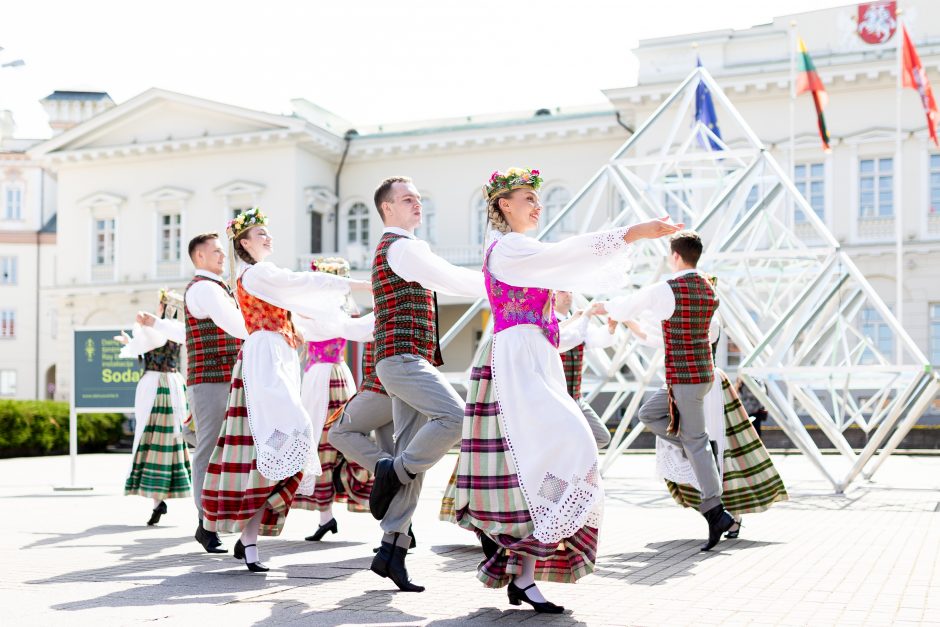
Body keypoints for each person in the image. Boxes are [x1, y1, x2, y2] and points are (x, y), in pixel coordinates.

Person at [442, 167, 681, 614]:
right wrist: (632, 233)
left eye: (537, 199)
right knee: (568, 446)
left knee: (541, 465)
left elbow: (563, 267)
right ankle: (521, 567)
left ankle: (524, 576)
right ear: (503, 205)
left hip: (535, 356)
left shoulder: (519, 249)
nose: (537, 205)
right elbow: (567, 253)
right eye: (528, 198)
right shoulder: (509, 247)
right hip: (516, 360)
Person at [201, 208, 369, 573]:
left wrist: (350, 294)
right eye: (261, 234)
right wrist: (358, 285)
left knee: (272, 444)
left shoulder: (260, 277)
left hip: (274, 357)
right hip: (266, 361)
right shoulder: (259, 273)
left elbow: (307, 302)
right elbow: (302, 284)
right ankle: (249, 537)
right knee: (285, 436)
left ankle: (248, 540)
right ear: (244, 243)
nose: (268, 238)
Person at [366, 176, 487, 593]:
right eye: (407, 199)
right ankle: (390, 471)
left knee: (414, 452)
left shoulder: (400, 248)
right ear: (387, 209)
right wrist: (500, 281)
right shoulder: (402, 247)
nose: (417, 204)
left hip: (403, 357)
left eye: (418, 198)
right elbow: (450, 277)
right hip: (401, 358)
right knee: (455, 417)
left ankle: (391, 551)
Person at [599, 230, 734, 551]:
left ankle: (716, 510)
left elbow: (628, 305)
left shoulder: (667, 288)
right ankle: (701, 451)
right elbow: (712, 331)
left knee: (694, 440)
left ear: (675, 256)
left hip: (684, 378)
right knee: (651, 414)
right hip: (700, 375)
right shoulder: (708, 289)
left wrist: (606, 307)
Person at [624, 316, 787, 539]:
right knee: (708, 450)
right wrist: (625, 318)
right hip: (688, 380)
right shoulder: (684, 317)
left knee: (722, 449)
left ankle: (730, 515)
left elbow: (668, 336)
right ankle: (722, 513)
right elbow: (651, 336)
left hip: (703, 382)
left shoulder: (707, 320)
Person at [292, 257, 376, 541]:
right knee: (329, 442)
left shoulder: (324, 311)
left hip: (323, 378)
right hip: (335, 374)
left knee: (323, 442)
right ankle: (327, 516)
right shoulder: (335, 309)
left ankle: (330, 515)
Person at [184, 232, 249, 554]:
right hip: (209, 379)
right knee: (208, 449)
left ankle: (215, 518)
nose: (224, 256)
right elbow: (235, 324)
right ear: (199, 257)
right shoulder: (205, 288)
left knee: (227, 447)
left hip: (228, 376)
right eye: (217, 252)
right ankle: (205, 521)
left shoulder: (218, 288)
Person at [117, 289, 191, 526]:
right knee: (170, 439)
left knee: (149, 438)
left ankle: (157, 500)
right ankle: (159, 500)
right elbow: (145, 343)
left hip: (154, 384)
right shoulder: (178, 330)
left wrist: (136, 334)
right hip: (174, 382)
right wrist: (134, 339)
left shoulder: (156, 329)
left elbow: (144, 343)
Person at [555, 291, 614, 449]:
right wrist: (586, 316)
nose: (568, 294)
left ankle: (571, 461)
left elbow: (597, 339)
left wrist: (610, 328)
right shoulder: (550, 325)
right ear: (551, 295)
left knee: (602, 437)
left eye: (570, 291)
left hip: (575, 397)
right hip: (557, 399)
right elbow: (567, 338)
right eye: (562, 291)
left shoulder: (577, 323)